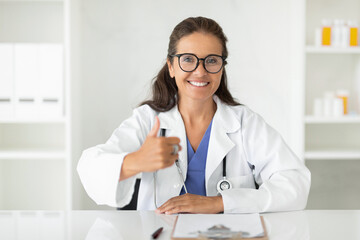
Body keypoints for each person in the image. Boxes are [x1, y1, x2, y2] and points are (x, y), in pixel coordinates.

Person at [77, 16, 311, 214]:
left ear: (222, 67)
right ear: (171, 66)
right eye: (188, 59)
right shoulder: (147, 119)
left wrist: (220, 203)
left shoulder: (244, 123)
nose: (200, 71)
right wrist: (135, 161)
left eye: (211, 61)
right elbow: (89, 168)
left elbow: (295, 184)